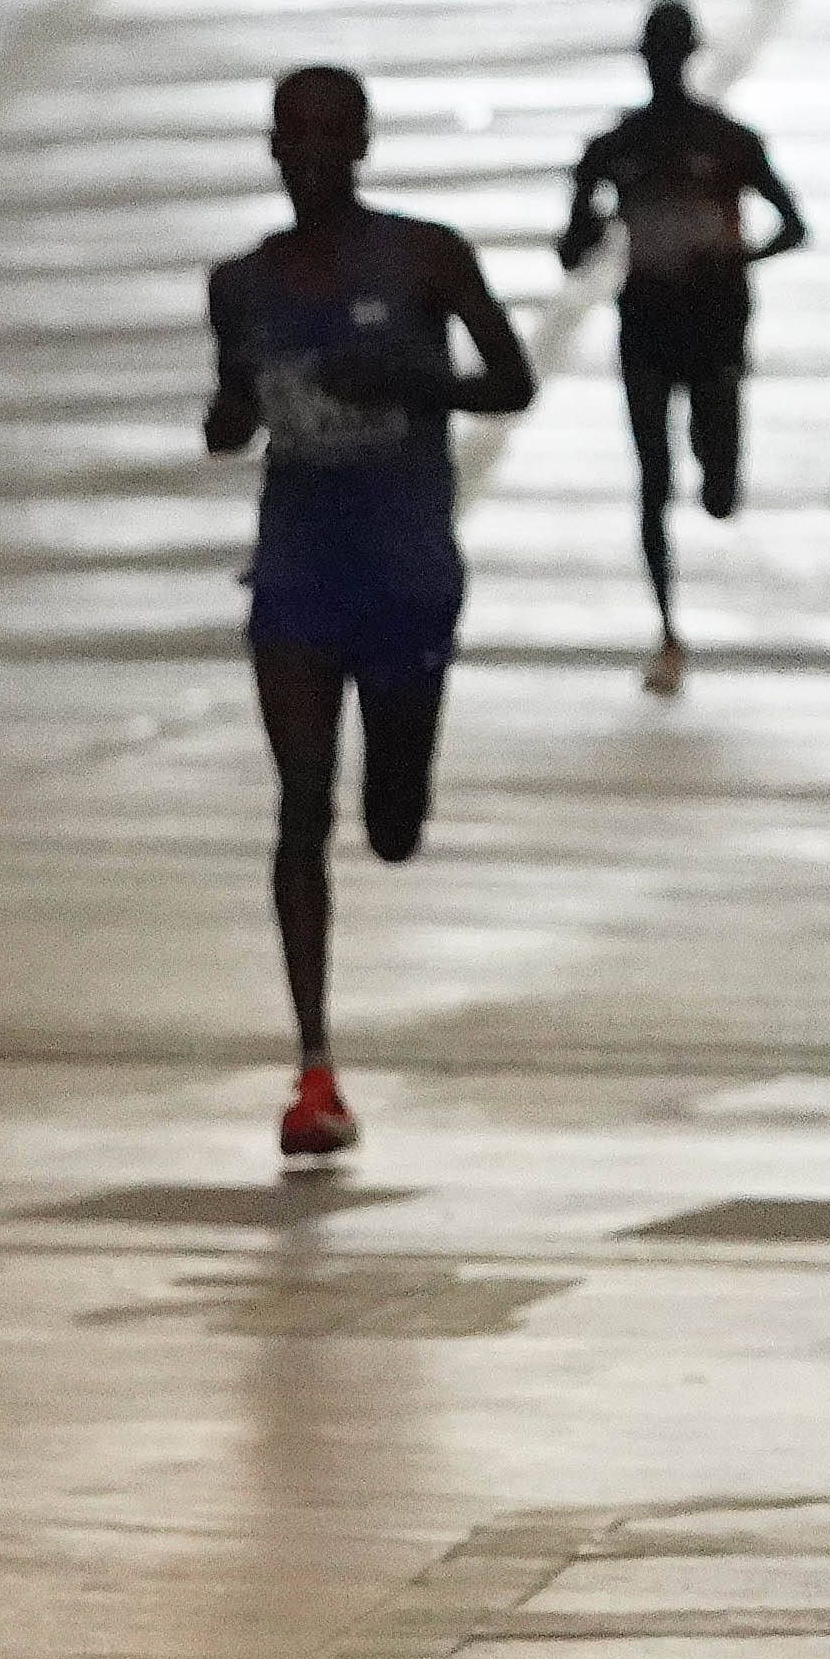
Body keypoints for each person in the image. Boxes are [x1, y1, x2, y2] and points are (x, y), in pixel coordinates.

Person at [208, 68, 538, 1160]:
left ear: (359, 143)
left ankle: (399, 800)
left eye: (328, 134)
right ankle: (313, 1068)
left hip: (405, 570)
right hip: (299, 570)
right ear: (270, 148)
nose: (309, 154)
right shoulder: (242, 282)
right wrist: (234, 409)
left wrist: (404, 382)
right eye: (291, 136)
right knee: (302, 802)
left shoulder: (427, 256)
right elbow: (228, 412)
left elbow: (511, 381)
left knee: (388, 825)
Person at [558, 0, 808, 699]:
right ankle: (666, 626)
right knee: (652, 479)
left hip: (707, 321)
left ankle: (670, 616)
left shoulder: (719, 143)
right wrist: (600, 216)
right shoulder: (622, 149)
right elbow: (572, 249)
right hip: (656, 323)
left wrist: (728, 260)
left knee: (712, 486)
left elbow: (793, 225)